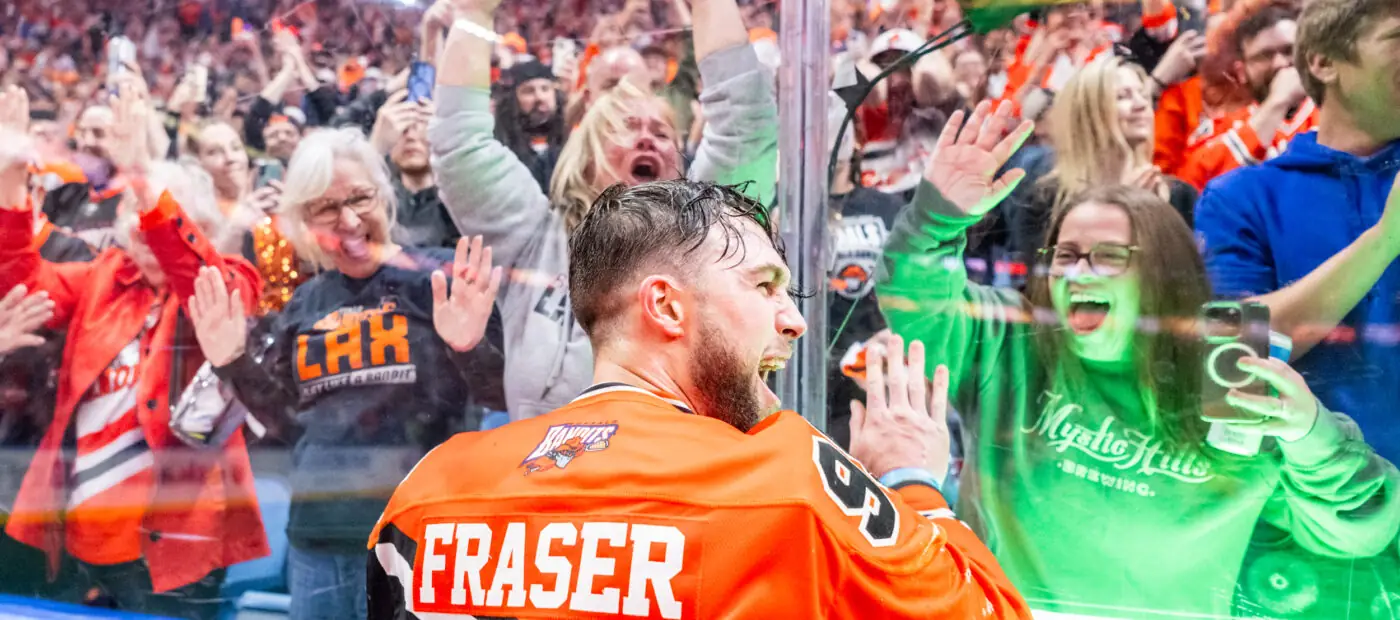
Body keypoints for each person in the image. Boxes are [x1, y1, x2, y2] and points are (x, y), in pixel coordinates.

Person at [367, 179, 1032, 619]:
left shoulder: (432, 489)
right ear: (664, 305)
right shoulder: (786, 478)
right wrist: (912, 484)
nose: (793, 320)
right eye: (765, 286)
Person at [878, 100, 1400, 617]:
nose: (1078, 273)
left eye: (1108, 257)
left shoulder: (1226, 379)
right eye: (1065, 254)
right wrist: (934, 217)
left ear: (1161, 275)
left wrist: (1310, 434)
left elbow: (1358, 530)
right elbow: (919, 301)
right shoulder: (1013, 345)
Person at [189, 128, 508, 620]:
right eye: (327, 208)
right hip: (320, 538)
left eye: (361, 197)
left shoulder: (442, 277)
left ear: (385, 196)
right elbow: (286, 423)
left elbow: (503, 396)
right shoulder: (304, 304)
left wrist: (467, 347)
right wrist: (233, 361)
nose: (351, 220)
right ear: (305, 222)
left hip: (423, 535)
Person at [431, 0, 777, 421]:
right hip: (554, 477)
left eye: (662, 132)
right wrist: (473, 14)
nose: (647, 140)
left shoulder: (708, 231)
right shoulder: (537, 238)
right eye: (626, 128)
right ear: (588, 156)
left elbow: (747, 123)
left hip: (684, 476)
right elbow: (460, 147)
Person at [0, 86, 269, 619]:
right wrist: (10, 180)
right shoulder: (105, 276)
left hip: (178, 547)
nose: (145, 232)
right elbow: (23, 286)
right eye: (137, 218)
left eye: (159, 219)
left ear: (200, 226)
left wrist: (145, 183)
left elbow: (199, 277)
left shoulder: (228, 280)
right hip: (79, 538)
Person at [1195, 0, 1400, 461]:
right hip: (1300, 509)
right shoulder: (1239, 196)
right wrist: (1385, 241)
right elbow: (1232, 363)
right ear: (1324, 62)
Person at [1006, 56, 1197, 261]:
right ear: (1088, 113)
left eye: (1143, 95)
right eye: (1123, 96)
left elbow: (1185, 281)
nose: (1140, 105)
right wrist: (1123, 214)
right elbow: (1046, 281)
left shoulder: (1180, 197)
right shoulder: (1044, 200)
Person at [1178, 0, 1312, 189]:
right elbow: (1192, 186)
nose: (1280, 63)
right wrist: (1277, 102)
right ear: (1241, 71)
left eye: (1289, 50)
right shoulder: (1221, 129)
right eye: (1264, 56)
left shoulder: (1337, 111)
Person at [187, 119, 310, 314]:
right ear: (198, 163)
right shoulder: (195, 215)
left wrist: (295, 218)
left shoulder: (274, 198)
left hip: (295, 315)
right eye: (214, 152)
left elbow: (314, 264)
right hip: (235, 321)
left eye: (236, 148)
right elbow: (198, 281)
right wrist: (235, 227)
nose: (230, 157)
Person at [493, 60, 568, 192]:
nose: (539, 97)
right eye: (528, 91)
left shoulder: (571, 140)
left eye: (545, 89)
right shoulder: (501, 149)